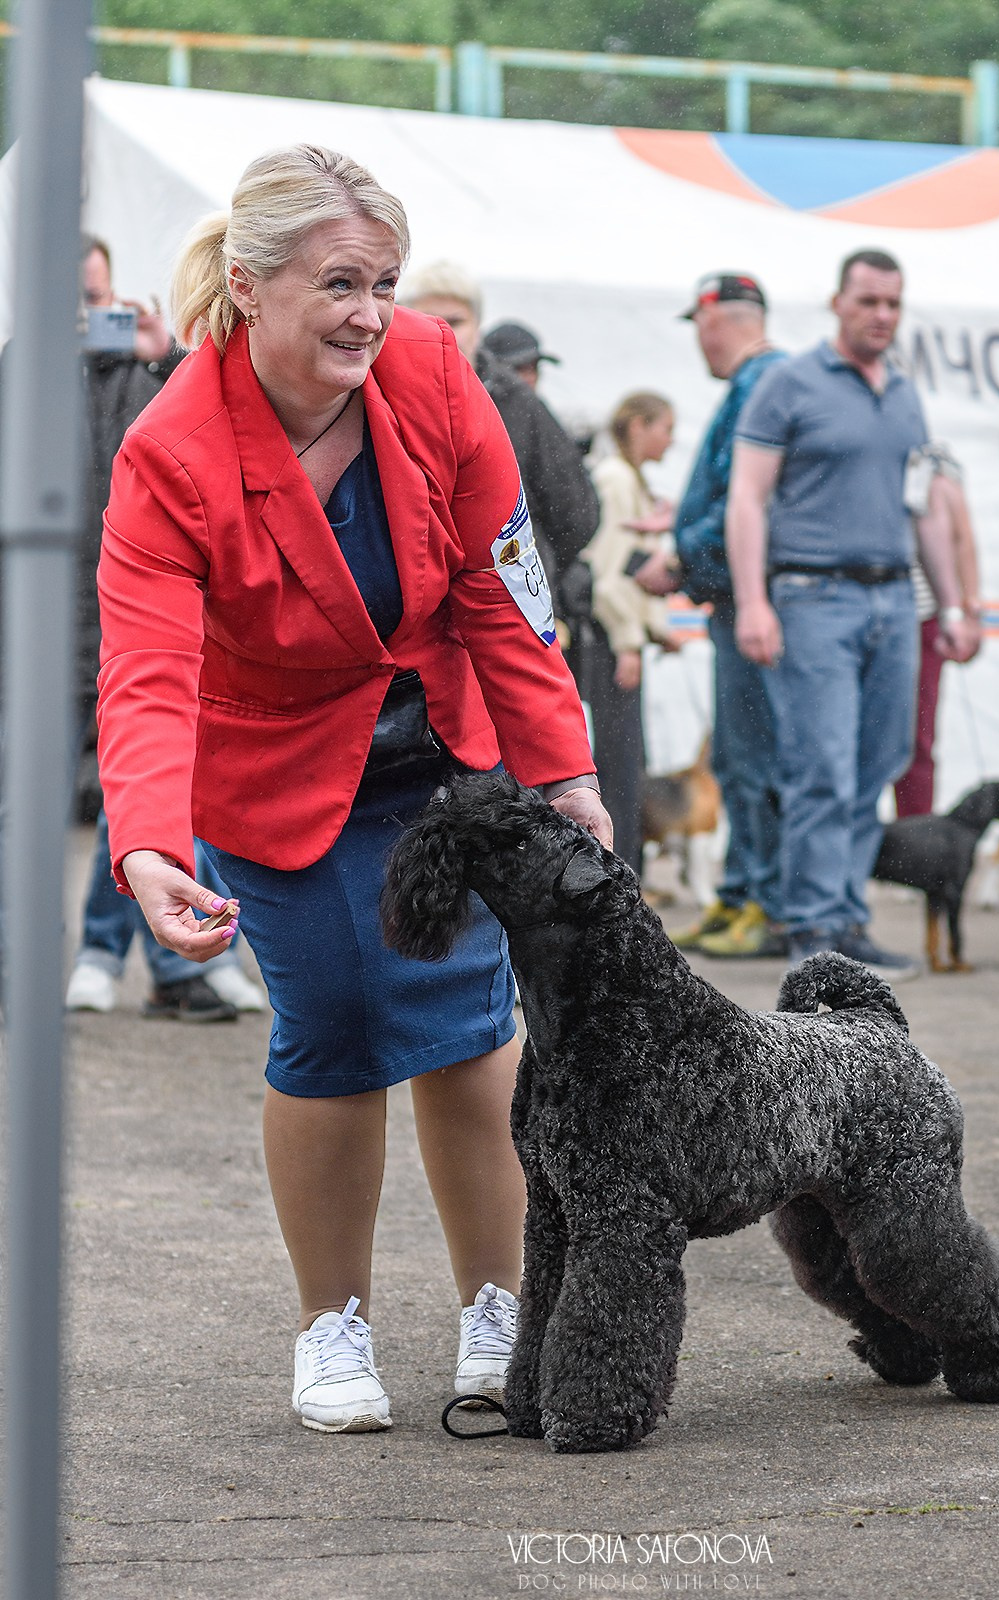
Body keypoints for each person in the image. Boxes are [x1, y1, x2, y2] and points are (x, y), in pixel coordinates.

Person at [95, 144, 609, 1434]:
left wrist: (566, 772)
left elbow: (505, 588)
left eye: (382, 282)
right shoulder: (169, 451)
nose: (370, 313)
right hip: (273, 772)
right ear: (252, 288)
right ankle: (332, 1324)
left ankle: (499, 1313)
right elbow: (147, 666)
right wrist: (150, 843)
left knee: (468, 1023)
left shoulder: (435, 372)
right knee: (331, 1025)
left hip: (445, 748)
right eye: (339, 284)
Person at [726, 249, 979, 974]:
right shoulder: (787, 383)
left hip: (896, 598)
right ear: (838, 302)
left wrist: (954, 603)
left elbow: (925, 508)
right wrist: (752, 601)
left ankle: (847, 918)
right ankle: (812, 928)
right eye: (868, 301)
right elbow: (748, 497)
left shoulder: (904, 395)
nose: (882, 316)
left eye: (893, 304)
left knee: (878, 764)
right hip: (813, 596)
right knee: (822, 768)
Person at [64, 235, 263, 1020]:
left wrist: (152, 361)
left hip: (141, 616)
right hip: (48, 626)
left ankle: (161, 962)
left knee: (146, 797)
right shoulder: (23, 366)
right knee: (35, 803)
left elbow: (199, 452)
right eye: (75, 297)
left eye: (100, 297)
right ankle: (70, 959)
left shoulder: (151, 380)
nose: (90, 315)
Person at [638, 273, 788, 960]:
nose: (699, 341)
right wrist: (686, 520)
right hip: (733, 601)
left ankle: (764, 902)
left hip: (748, 603)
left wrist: (679, 553)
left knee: (755, 759)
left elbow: (742, 498)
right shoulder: (757, 384)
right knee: (735, 757)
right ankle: (738, 896)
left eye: (698, 327)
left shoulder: (761, 383)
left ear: (717, 320)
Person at [400, 264, 598, 665]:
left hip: (505, 609)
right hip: (413, 618)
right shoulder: (379, 393)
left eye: (456, 320)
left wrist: (533, 565)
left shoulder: (516, 402)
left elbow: (576, 512)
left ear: (478, 326)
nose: (444, 332)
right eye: (429, 320)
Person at [582, 391, 678, 875]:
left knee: (626, 757)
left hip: (622, 637)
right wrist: (628, 641)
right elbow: (609, 571)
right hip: (608, 640)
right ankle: (620, 875)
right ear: (637, 426)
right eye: (665, 427)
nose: (672, 439)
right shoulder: (615, 478)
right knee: (619, 762)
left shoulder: (630, 479)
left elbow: (634, 569)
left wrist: (655, 629)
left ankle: (625, 871)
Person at [895, 446, 984, 818]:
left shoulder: (934, 464)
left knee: (919, 738)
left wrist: (970, 610)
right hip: (869, 613)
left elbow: (962, 538)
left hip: (922, 617)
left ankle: (913, 840)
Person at [480, 320, 559, 391]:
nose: (532, 378)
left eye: (534, 368)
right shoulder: (479, 405)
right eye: (520, 368)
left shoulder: (536, 405)